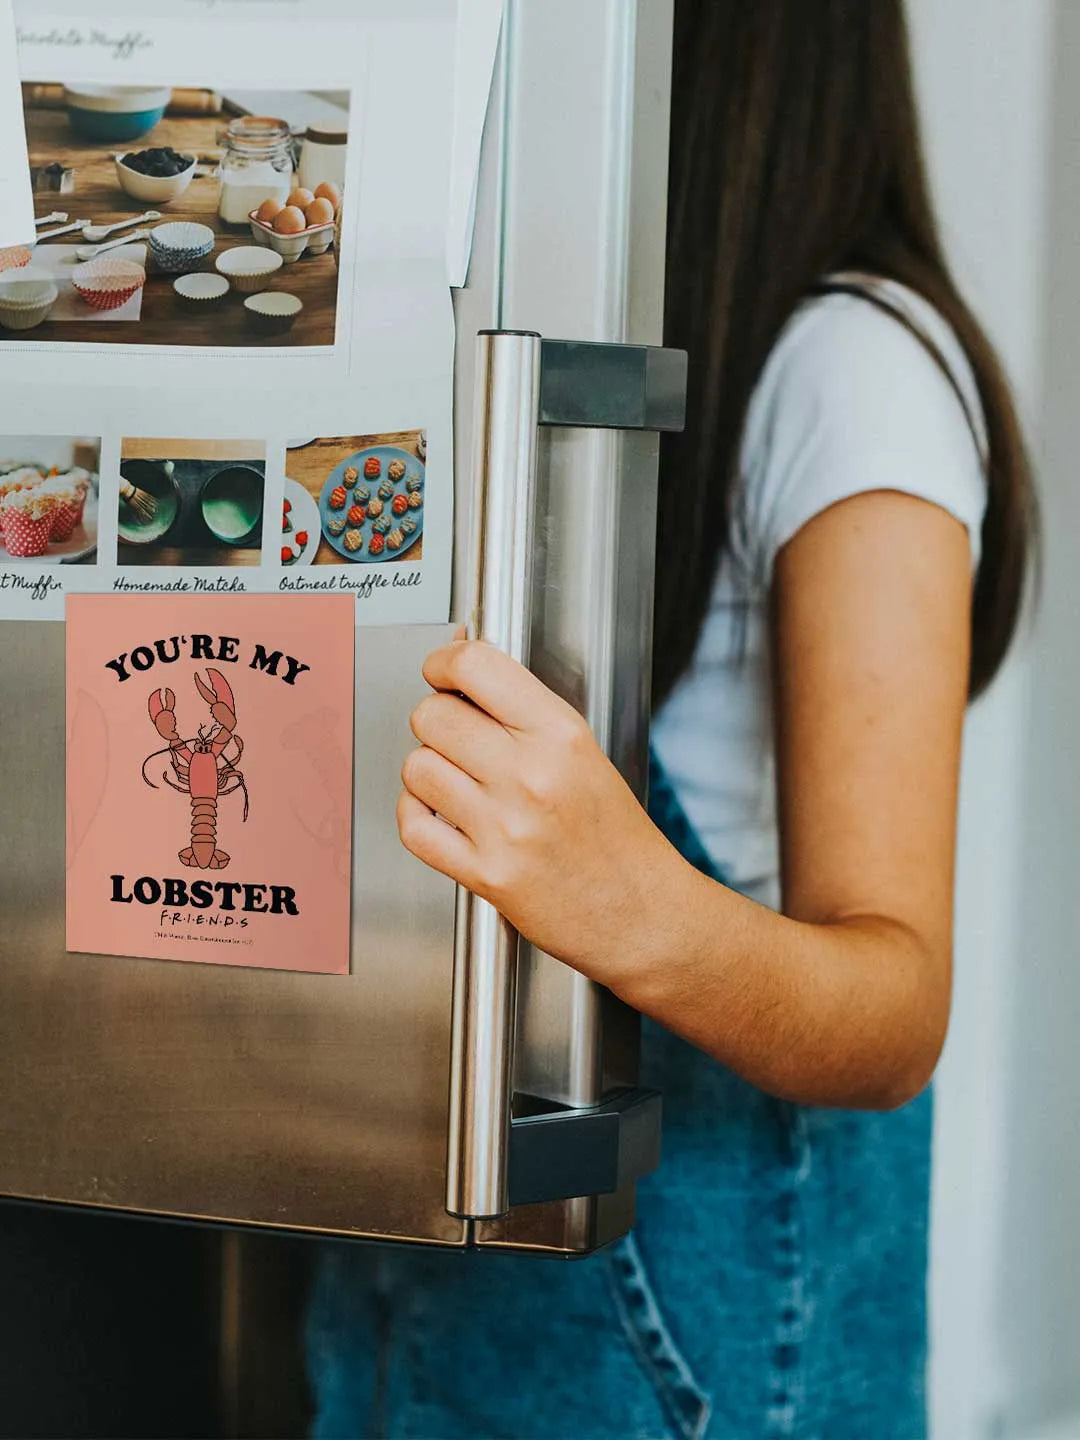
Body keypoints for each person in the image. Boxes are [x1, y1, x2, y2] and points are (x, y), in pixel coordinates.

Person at [306, 1, 1036, 1435]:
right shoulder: (533, 348)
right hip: (412, 1308)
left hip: (684, 1362)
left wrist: (627, 899)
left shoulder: (855, 368)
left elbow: (895, 1010)